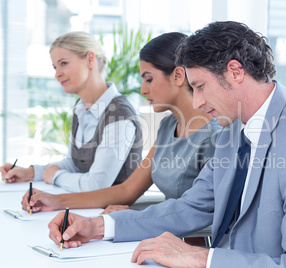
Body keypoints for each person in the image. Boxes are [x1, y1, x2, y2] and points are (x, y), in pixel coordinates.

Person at [48, 21, 286, 268]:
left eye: (200, 87)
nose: (199, 102)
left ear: (235, 71)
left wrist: (201, 258)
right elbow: (191, 208)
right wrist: (99, 227)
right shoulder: (234, 130)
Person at [21, 32, 221, 214]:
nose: (142, 90)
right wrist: (55, 201)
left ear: (178, 76)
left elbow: (199, 214)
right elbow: (128, 189)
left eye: (149, 79)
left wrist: (128, 218)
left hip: (185, 244)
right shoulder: (169, 126)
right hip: (165, 235)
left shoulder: (213, 136)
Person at [0, 32, 143, 192]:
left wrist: (56, 176)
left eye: (63, 63)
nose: (57, 74)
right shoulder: (80, 108)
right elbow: (74, 164)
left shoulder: (119, 115)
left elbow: (97, 185)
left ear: (90, 59)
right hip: (85, 210)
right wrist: (30, 173)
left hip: (109, 213)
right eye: (55, 67)